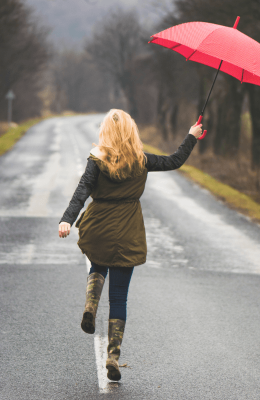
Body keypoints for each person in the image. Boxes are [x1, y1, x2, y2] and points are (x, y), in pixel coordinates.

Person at [58, 109, 202, 381]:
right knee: (119, 298)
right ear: (131, 131)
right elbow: (174, 160)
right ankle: (113, 355)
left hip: (99, 225)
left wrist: (67, 220)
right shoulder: (141, 160)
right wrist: (190, 136)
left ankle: (90, 305)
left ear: (105, 132)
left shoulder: (96, 159)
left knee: (98, 264)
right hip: (128, 230)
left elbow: (81, 192)